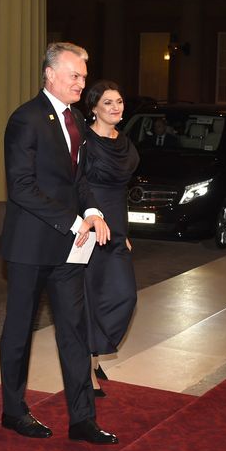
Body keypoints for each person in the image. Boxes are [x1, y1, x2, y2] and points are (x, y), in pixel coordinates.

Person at [0, 41, 118, 445]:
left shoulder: (77, 122)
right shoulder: (26, 119)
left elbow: (79, 181)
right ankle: (13, 411)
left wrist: (94, 212)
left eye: (84, 76)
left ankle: (83, 419)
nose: (82, 83)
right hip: (30, 246)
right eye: (75, 75)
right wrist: (72, 221)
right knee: (19, 330)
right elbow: (21, 188)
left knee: (74, 330)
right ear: (50, 74)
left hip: (70, 246)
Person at [81, 80, 139, 398]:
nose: (115, 107)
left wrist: (124, 232)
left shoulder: (125, 143)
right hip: (89, 229)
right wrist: (86, 221)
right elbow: (77, 186)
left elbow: (122, 194)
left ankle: (94, 351)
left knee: (124, 296)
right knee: (90, 299)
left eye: (119, 102)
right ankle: (88, 364)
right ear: (94, 108)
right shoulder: (84, 143)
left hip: (116, 230)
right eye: (108, 103)